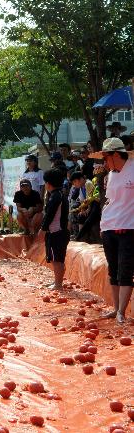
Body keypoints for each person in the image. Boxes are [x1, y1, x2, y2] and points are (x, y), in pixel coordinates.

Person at [97, 138, 133, 324]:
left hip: (128, 228)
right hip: (109, 226)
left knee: (125, 269)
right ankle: (116, 308)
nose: (104, 160)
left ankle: (121, 311)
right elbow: (111, 201)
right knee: (114, 269)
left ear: (116, 154)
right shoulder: (111, 174)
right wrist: (104, 224)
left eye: (106, 156)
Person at [40, 168, 69, 290]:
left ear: (48, 183)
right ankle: (57, 281)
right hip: (60, 232)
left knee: (57, 260)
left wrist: (43, 229)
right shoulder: (60, 195)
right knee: (56, 259)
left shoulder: (55, 197)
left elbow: (50, 215)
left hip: (57, 232)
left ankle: (58, 284)